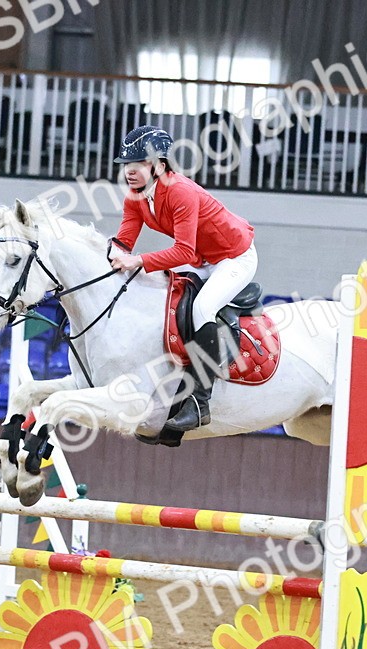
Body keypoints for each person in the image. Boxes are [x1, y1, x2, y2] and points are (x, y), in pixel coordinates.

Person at [108, 125, 257, 431]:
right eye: (127, 166)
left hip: (234, 257)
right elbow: (123, 243)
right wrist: (109, 255)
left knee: (202, 309)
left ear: (160, 165)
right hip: (203, 259)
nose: (130, 172)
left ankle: (200, 402)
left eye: (138, 165)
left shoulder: (180, 191)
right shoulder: (134, 197)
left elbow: (184, 252)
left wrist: (137, 261)